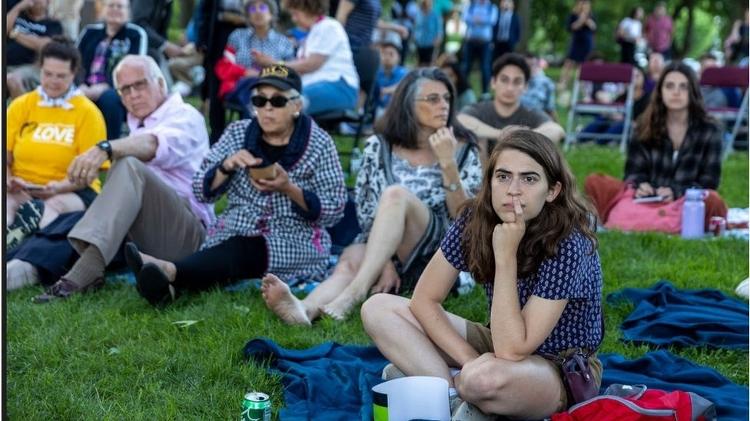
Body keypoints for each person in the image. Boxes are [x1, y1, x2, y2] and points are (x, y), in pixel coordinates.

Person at [361, 129, 603, 420]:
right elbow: (424, 299)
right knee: (378, 308)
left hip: (559, 365)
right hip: (498, 339)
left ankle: (441, 379)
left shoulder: (569, 244)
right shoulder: (474, 220)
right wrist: (470, 360)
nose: (513, 189)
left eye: (529, 179)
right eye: (503, 176)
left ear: (552, 191)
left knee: (483, 379)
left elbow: (514, 350)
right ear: (490, 182)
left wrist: (505, 256)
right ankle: (451, 394)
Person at [261, 67, 483, 324]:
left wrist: (447, 162)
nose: (443, 105)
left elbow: (466, 219)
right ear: (408, 104)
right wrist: (384, 261)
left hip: (441, 254)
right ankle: (304, 310)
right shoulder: (380, 146)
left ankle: (354, 294)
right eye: (432, 99)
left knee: (396, 195)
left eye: (447, 99)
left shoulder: (464, 148)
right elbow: (367, 213)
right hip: (385, 249)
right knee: (349, 262)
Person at [124, 65, 347, 307]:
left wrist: (289, 189)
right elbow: (200, 190)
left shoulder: (319, 143)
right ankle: (172, 288)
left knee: (240, 249)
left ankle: (170, 271)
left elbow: (334, 209)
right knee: (231, 248)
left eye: (278, 101)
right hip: (236, 226)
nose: (267, 108)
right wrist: (226, 167)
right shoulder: (238, 133)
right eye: (260, 100)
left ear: (297, 106)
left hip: (295, 237)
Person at [32, 54, 213, 303]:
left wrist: (106, 148)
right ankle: (156, 278)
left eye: (140, 84)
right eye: (125, 89)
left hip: (189, 237)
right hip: (144, 236)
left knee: (127, 162)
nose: (133, 94)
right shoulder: (139, 124)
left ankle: (87, 271)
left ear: (161, 83)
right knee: (63, 226)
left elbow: (154, 144)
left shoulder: (185, 116)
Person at [584, 61, 728, 230]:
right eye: (669, 86)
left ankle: (637, 221)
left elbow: (709, 181)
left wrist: (675, 191)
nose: (676, 92)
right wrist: (640, 185)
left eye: (683, 87)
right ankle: (658, 222)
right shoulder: (644, 126)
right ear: (660, 91)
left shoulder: (710, 130)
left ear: (693, 92)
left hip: (685, 201)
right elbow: (633, 172)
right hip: (647, 200)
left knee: (713, 200)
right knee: (596, 182)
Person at [6, 40, 107, 255]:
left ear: (74, 75)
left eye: (61, 76)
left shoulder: (88, 113)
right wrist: (8, 180)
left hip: (71, 189)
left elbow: (90, 173)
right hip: (21, 186)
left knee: (49, 211)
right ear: (39, 69)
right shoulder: (21, 105)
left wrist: (55, 188)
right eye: (47, 74)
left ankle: (26, 255)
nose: (52, 81)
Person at [252, 0, 359, 116]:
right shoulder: (313, 33)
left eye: (295, 14)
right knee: (267, 96)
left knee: (284, 102)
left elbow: (310, 65)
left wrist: (274, 64)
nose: (294, 19)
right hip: (316, 86)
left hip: (339, 88)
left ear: (309, 9)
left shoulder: (329, 26)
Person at [458, 53, 565, 162]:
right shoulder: (480, 109)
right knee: (478, 140)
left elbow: (557, 130)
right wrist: (501, 134)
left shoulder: (529, 112)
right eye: (504, 80)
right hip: (481, 171)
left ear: (525, 87)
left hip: (519, 169)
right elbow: (460, 120)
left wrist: (523, 136)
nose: (510, 88)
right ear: (493, 82)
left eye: (517, 82)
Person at [77, 0, 148, 139]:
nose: (115, 9)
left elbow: (136, 68)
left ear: (128, 11)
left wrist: (107, 85)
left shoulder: (135, 35)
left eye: (120, 6)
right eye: (111, 5)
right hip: (83, 86)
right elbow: (74, 62)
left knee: (109, 98)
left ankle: (110, 147)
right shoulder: (89, 32)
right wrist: (80, 85)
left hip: (117, 89)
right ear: (103, 9)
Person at [215, 0, 295, 120]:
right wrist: (245, 72)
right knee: (253, 84)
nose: (257, 12)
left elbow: (291, 72)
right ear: (248, 16)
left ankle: (252, 125)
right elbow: (224, 67)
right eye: (252, 9)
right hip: (238, 86)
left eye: (262, 8)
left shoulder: (283, 42)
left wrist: (269, 65)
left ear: (271, 14)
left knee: (262, 87)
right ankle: (256, 123)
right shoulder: (237, 36)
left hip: (273, 89)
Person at [6, 0, 63, 99]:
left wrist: (14, 33)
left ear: (48, 2)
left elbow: (45, 45)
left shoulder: (53, 24)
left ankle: (26, 113)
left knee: (12, 79)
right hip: (7, 64)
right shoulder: (18, 15)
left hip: (31, 67)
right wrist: (18, 7)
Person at [557, 0, 596, 93]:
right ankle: (563, 83)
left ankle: (583, 87)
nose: (585, 6)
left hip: (587, 44)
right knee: (569, 63)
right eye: (583, 4)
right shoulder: (573, 15)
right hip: (576, 42)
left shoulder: (591, 16)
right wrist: (580, 20)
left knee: (583, 65)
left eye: (587, 4)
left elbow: (594, 28)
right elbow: (571, 28)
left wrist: (588, 21)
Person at [461, 0, 498, 95]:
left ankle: (485, 92)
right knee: (466, 66)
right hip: (470, 41)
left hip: (485, 42)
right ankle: (461, 89)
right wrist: (481, 20)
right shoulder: (471, 6)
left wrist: (477, 19)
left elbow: (492, 21)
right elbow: (465, 18)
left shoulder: (492, 7)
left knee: (485, 67)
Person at [374, 33, 408, 114]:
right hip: (376, 109)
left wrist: (385, 91)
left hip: (395, 112)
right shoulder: (377, 72)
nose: (387, 57)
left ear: (398, 58)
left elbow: (403, 86)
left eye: (391, 54)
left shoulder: (403, 72)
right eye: (384, 53)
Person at [520, 52, 557, 121]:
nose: (528, 68)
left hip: (538, 124)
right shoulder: (513, 84)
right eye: (526, 65)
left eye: (532, 65)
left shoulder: (545, 83)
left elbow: (550, 109)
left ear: (537, 66)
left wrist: (558, 127)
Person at [411, 0, 443, 66]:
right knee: (419, 61)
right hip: (419, 41)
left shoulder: (435, 14)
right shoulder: (418, 13)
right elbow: (415, 26)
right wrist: (414, 36)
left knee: (429, 62)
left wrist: (438, 37)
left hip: (430, 42)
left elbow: (439, 28)